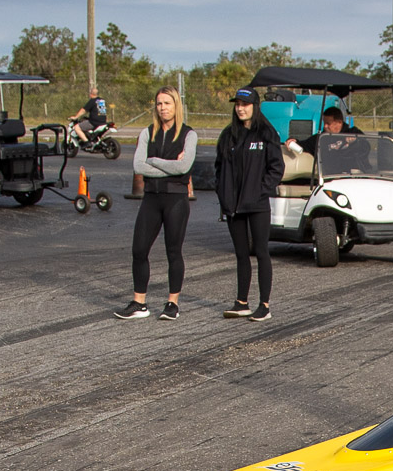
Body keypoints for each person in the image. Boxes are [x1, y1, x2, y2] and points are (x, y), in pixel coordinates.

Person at [114, 87, 197, 321]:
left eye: (167, 103)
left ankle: (172, 303)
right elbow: (138, 166)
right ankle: (139, 303)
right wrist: (170, 166)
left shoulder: (189, 135)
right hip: (151, 198)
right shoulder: (147, 133)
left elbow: (184, 167)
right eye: (159, 104)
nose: (163, 108)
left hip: (176, 199)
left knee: (173, 251)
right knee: (139, 249)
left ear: (176, 105)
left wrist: (153, 161)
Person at [215, 88, 284, 322]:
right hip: (233, 206)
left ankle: (264, 305)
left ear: (255, 106)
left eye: (245, 104)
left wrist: (259, 191)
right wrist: (223, 193)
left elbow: (276, 167)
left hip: (257, 205)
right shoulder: (228, 134)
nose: (240, 108)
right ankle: (241, 302)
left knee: (261, 252)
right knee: (241, 254)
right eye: (237, 104)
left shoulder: (266, 133)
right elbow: (219, 167)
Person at [285, 106, 363, 154]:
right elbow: (305, 145)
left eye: (328, 123)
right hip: (327, 173)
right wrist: (293, 141)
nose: (325, 126)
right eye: (324, 123)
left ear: (339, 123)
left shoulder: (352, 133)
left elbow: (365, 144)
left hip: (349, 173)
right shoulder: (320, 139)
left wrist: (355, 141)